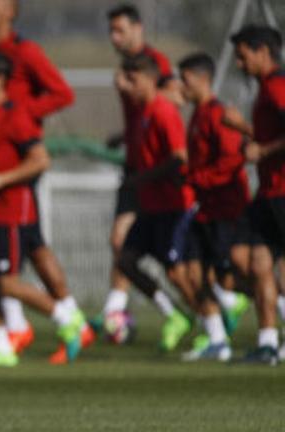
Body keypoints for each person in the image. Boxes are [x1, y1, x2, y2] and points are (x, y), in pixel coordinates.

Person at [0, 0, 87, 361]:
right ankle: (9, 333)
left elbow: (62, 93)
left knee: (18, 258)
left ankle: (66, 316)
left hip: (14, 169)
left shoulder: (26, 53)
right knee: (7, 259)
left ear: (11, 10)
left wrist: (17, 115)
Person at [100, 4, 198, 342]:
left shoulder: (154, 69)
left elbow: (178, 98)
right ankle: (124, 312)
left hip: (159, 185)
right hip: (140, 173)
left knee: (177, 266)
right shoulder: (136, 89)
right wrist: (124, 137)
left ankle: (210, 316)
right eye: (111, 31)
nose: (115, 38)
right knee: (124, 251)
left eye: (120, 30)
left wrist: (145, 88)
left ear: (137, 28)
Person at [116, 53, 197, 352]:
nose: (127, 86)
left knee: (177, 273)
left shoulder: (163, 111)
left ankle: (210, 325)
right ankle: (174, 314)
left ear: (150, 79)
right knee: (125, 261)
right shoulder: (141, 114)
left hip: (173, 205)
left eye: (132, 79)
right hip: (150, 207)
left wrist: (143, 178)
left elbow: (179, 159)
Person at [178, 53, 251, 362]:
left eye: (186, 79)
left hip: (226, 207)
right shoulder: (197, 114)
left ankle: (275, 306)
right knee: (192, 274)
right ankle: (218, 340)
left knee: (237, 276)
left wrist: (197, 178)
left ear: (203, 79)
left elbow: (233, 160)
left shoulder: (218, 114)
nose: (181, 86)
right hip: (204, 209)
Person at [230, 25, 285, 365]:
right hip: (267, 193)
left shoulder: (278, 86)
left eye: (243, 55)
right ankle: (267, 342)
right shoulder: (266, 87)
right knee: (247, 260)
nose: (238, 63)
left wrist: (263, 151)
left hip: (282, 192)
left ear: (262, 50)